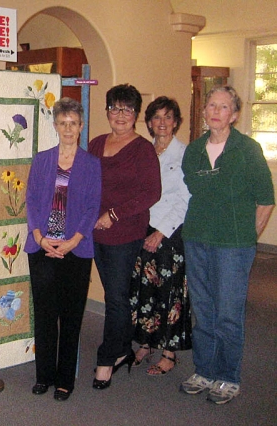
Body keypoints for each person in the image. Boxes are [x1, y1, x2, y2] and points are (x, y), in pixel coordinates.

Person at [180, 86, 274, 404]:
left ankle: (227, 376)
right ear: (204, 111)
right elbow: (195, 191)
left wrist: (248, 237)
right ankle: (205, 370)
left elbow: (265, 200)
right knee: (203, 311)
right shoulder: (193, 151)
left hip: (233, 245)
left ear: (234, 114)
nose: (215, 111)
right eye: (211, 105)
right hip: (197, 239)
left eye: (223, 106)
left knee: (228, 314)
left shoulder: (248, 150)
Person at [25, 98, 101, 401]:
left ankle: (64, 380)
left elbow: (93, 206)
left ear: (81, 127)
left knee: (71, 317)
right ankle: (44, 375)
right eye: (62, 123)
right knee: (45, 315)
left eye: (73, 123)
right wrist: (41, 238)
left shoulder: (91, 164)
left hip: (75, 250)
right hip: (42, 248)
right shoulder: (42, 160)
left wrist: (72, 241)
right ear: (55, 126)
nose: (68, 128)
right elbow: (31, 200)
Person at [88, 84, 161, 390]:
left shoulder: (142, 149)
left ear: (136, 115)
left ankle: (107, 359)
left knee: (116, 297)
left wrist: (113, 215)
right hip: (94, 231)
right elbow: (84, 182)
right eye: (115, 108)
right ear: (107, 111)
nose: (120, 115)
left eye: (127, 109)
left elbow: (151, 193)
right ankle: (121, 349)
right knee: (113, 294)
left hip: (125, 232)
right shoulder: (95, 144)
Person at [130, 96, 192, 376]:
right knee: (144, 290)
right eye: (157, 117)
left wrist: (161, 232)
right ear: (149, 123)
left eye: (168, 117)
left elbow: (184, 199)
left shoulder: (184, 154)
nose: (162, 122)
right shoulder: (143, 151)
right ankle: (146, 342)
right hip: (142, 228)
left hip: (170, 233)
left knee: (169, 294)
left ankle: (168, 352)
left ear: (176, 122)